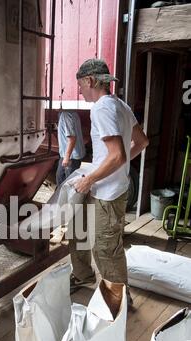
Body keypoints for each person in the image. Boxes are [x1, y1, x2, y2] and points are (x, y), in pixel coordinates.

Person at [69, 58, 149, 306]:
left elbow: (117, 155)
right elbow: (142, 142)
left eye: (80, 85)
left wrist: (91, 177)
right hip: (102, 186)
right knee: (78, 230)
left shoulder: (101, 108)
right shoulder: (120, 105)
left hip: (107, 194)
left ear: (90, 80)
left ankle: (119, 300)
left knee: (105, 249)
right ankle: (83, 276)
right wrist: (109, 169)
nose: (80, 90)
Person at [56, 110, 86, 186]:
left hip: (70, 156)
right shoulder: (74, 113)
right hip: (73, 155)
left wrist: (67, 157)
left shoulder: (65, 115)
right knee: (65, 182)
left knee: (64, 183)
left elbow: (72, 138)